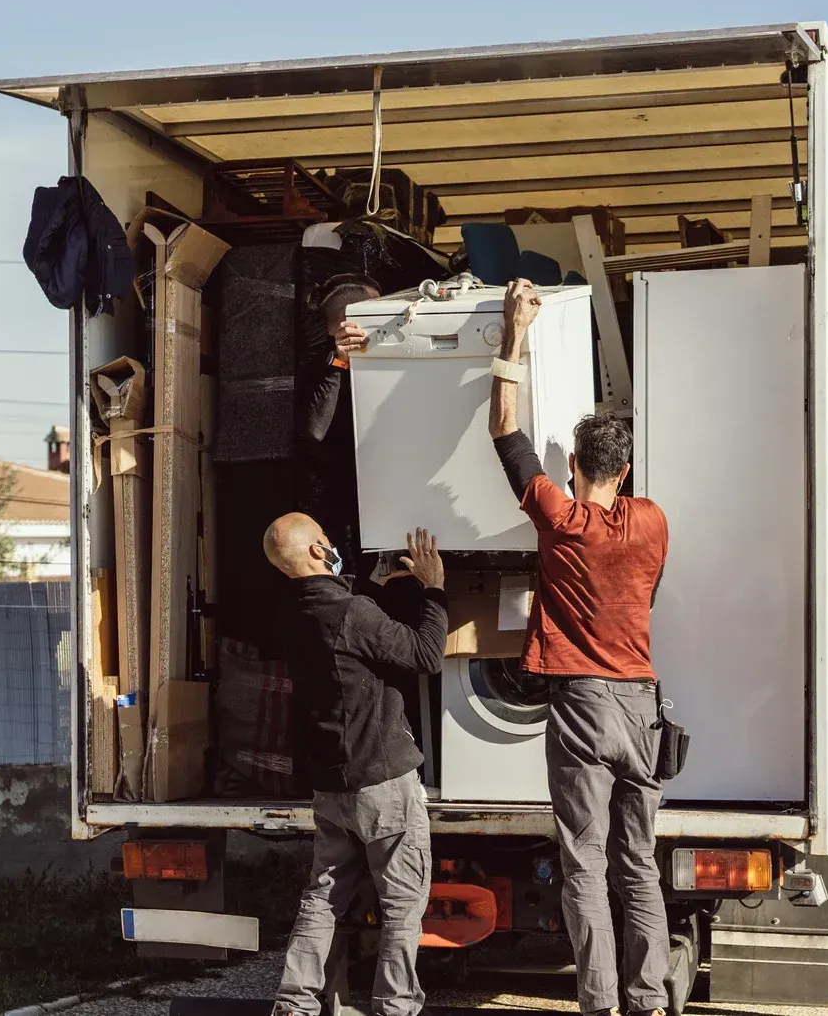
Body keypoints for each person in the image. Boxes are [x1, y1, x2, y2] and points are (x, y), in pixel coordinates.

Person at [487, 278, 671, 1016]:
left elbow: (504, 430)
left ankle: (600, 1004)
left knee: (585, 865)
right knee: (639, 868)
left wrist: (515, 331)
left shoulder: (560, 518)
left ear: (574, 468)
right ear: (624, 472)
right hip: (642, 704)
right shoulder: (654, 520)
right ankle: (648, 1001)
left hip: (584, 703)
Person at [265, 512, 447, 1016]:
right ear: (321, 552)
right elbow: (427, 654)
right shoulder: (352, 614)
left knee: (322, 897)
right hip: (383, 780)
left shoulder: (291, 613)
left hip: (332, 786)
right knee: (403, 906)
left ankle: (293, 1005)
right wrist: (433, 590)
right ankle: (396, 1007)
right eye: (327, 540)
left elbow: (345, 626)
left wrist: (371, 584)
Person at [294, 273, 378, 562]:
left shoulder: (377, 357)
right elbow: (315, 430)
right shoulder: (321, 363)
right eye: (378, 310)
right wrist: (340, 362)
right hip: (335, 498)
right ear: (351, 317)